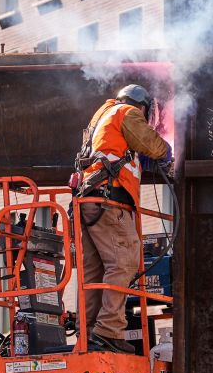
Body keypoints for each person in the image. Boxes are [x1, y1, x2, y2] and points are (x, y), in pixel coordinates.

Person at [73, 84, 172, 353]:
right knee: (125, 260)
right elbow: (148, 141)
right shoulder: (127, 112)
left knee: (96, 272)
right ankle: (108, 330)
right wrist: (164, 152)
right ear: (143, 107)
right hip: (110, 201)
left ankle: (90, 331)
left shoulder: (101, 117)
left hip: (90, 201)